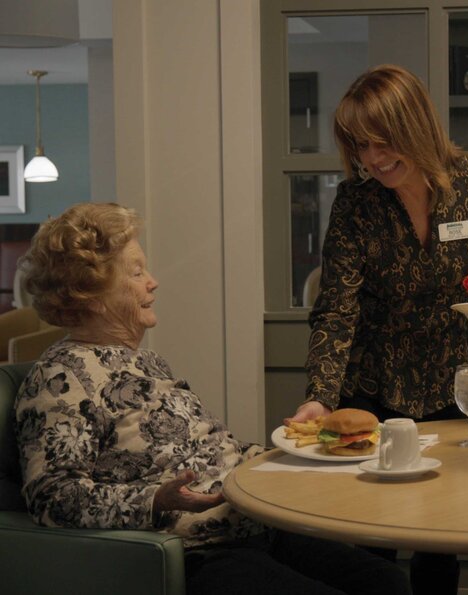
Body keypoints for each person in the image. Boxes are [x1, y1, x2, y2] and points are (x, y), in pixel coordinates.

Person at [14, 203, 410, 595]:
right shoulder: (60, 378)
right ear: (92, 295)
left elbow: (215, 453)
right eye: (136, 273)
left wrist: (304, 456)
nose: (153, 282)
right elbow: (53, 496)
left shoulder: (147, 362)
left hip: (257, 527)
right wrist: (155, 498)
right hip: (196, 552)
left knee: (385, 580)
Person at [286, 65, 468, 595]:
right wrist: (321, 396)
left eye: (383, 143)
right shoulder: (357, 205)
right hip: (374, 386)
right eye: (361, 146)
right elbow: (336, 308)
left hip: (455, 384)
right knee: (374, 537)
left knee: (441, 533)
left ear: (416, 129)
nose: (373, 159)